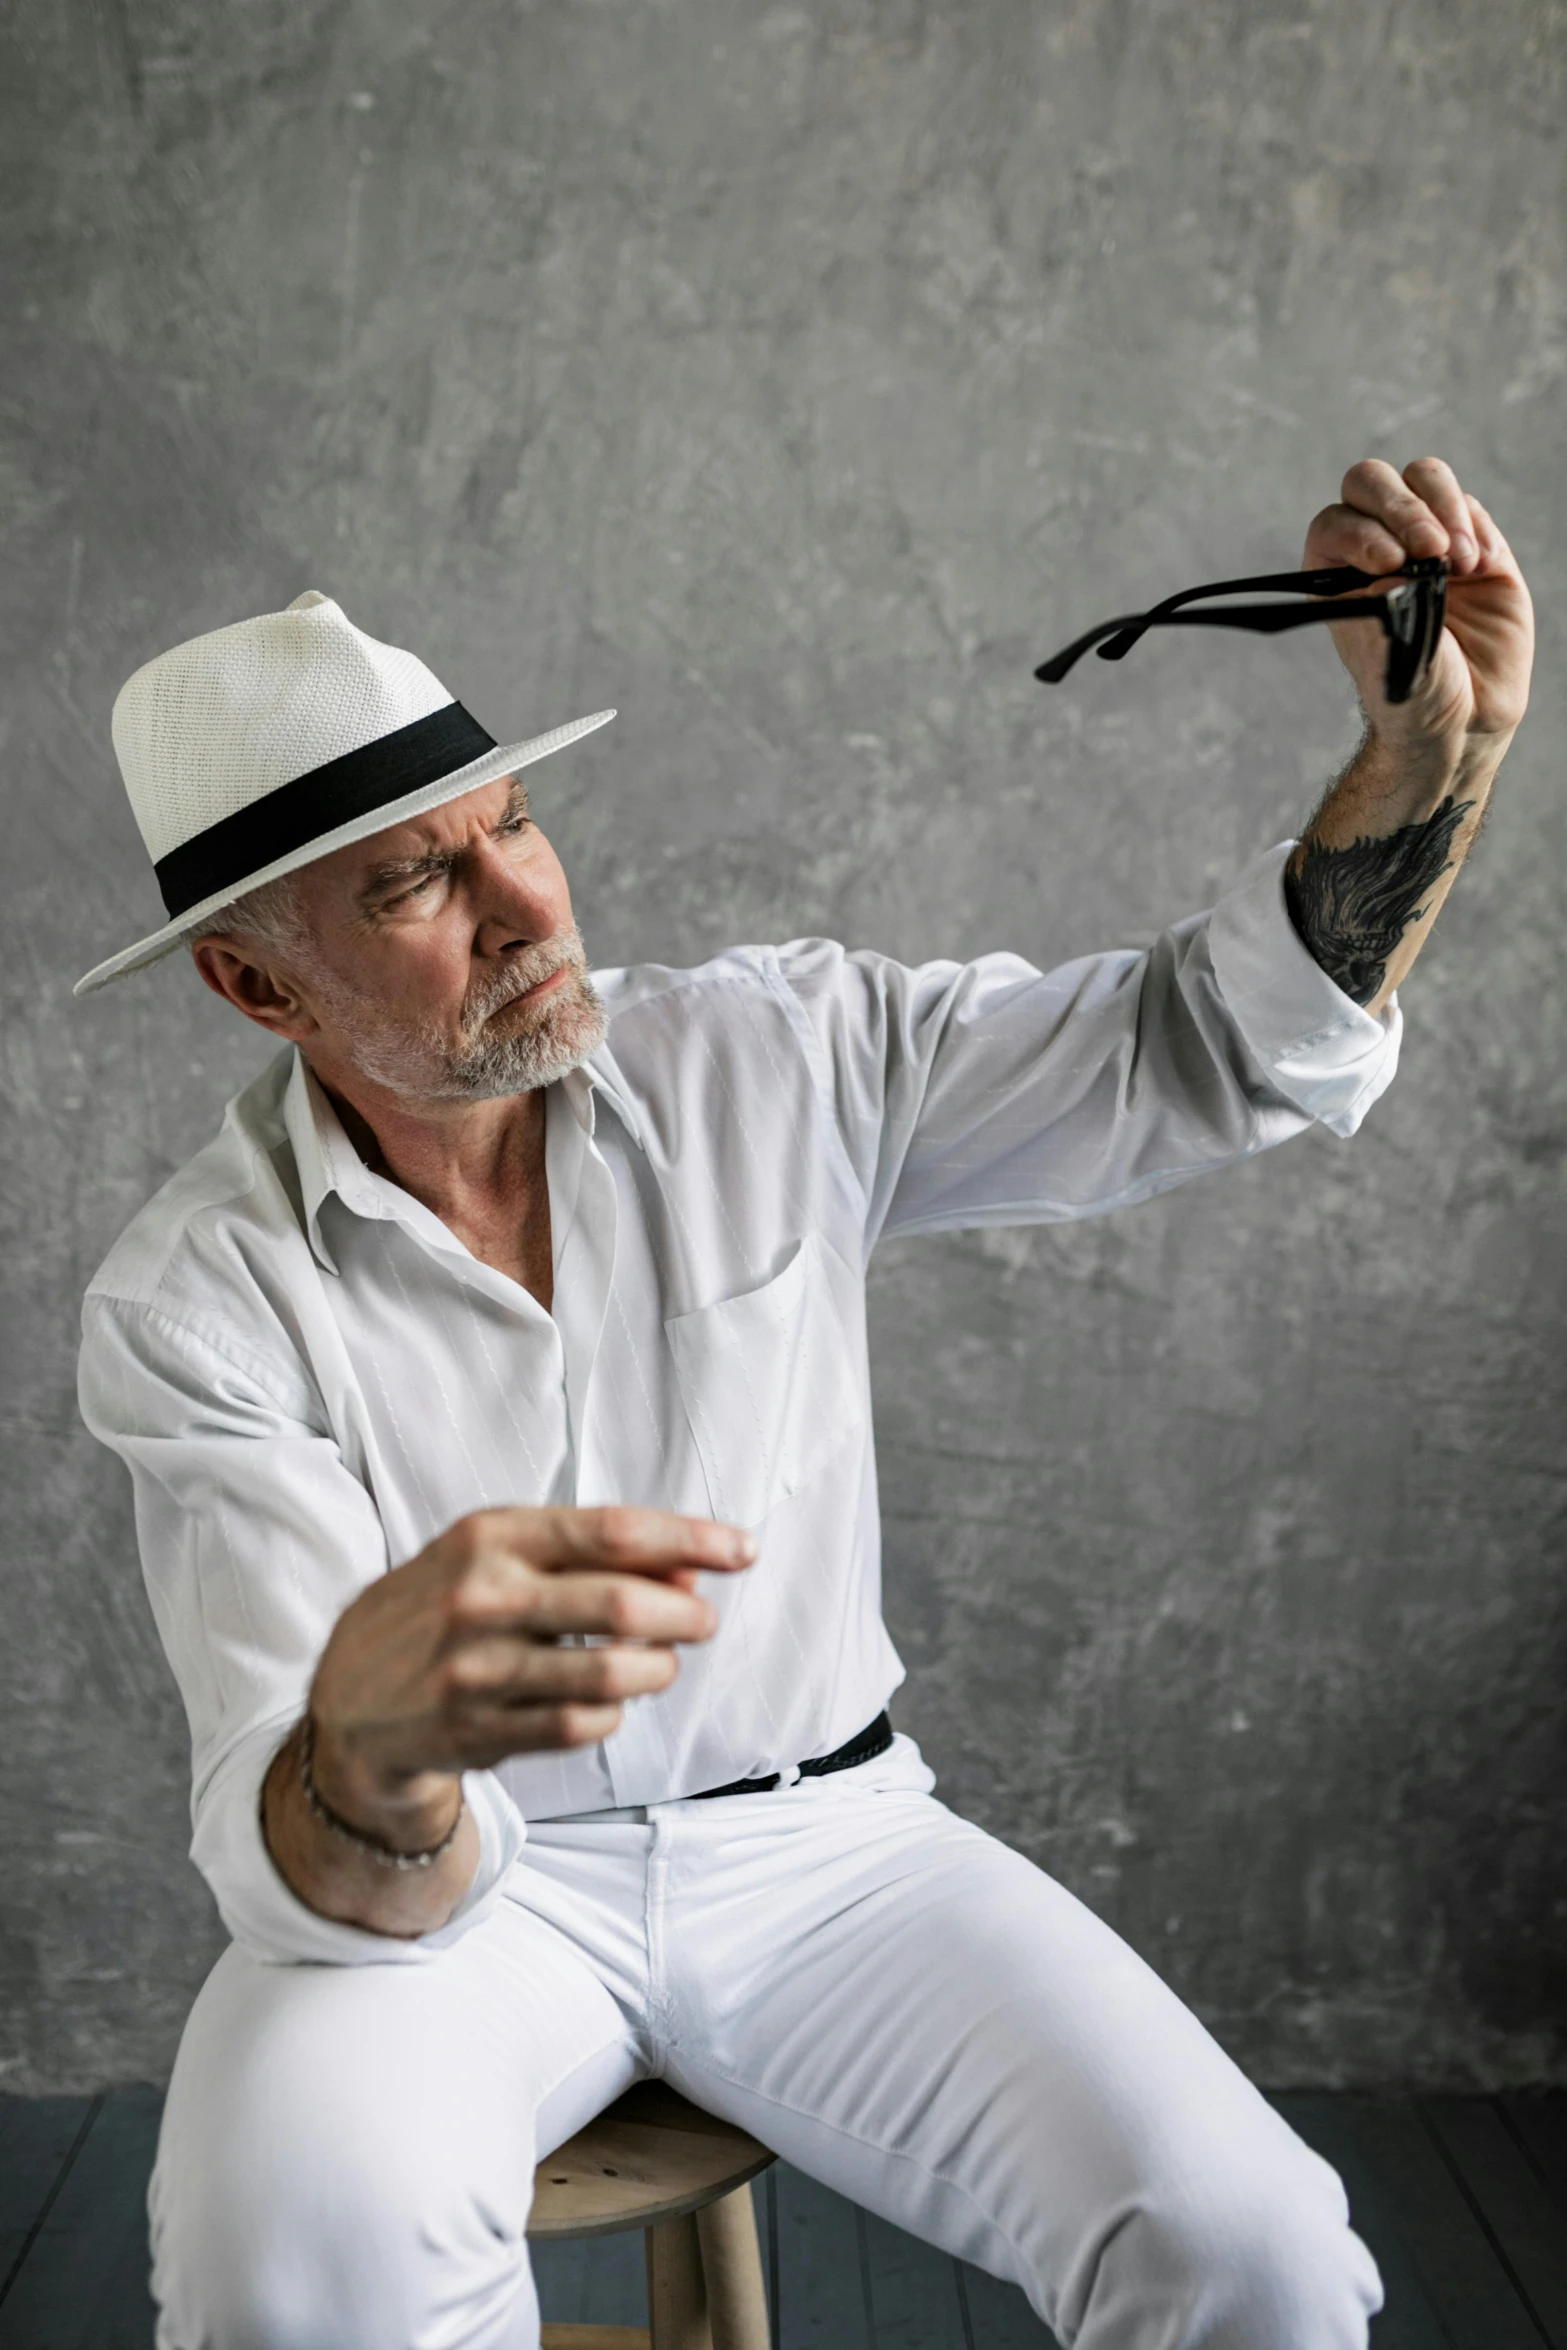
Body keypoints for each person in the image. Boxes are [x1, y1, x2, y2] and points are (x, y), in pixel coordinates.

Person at [76, 457, 1532, 2350]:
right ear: (255, 983)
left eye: (514, 822)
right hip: (457, 1904)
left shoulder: (777, 1053)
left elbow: (1218, 1047)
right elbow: (304, 1839)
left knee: (1252, 2255)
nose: (526, 900)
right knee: (293, 2266)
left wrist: (1427, 759)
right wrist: (371, 1745)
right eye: (421, 878)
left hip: (832, 1855)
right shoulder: (198, 1296)